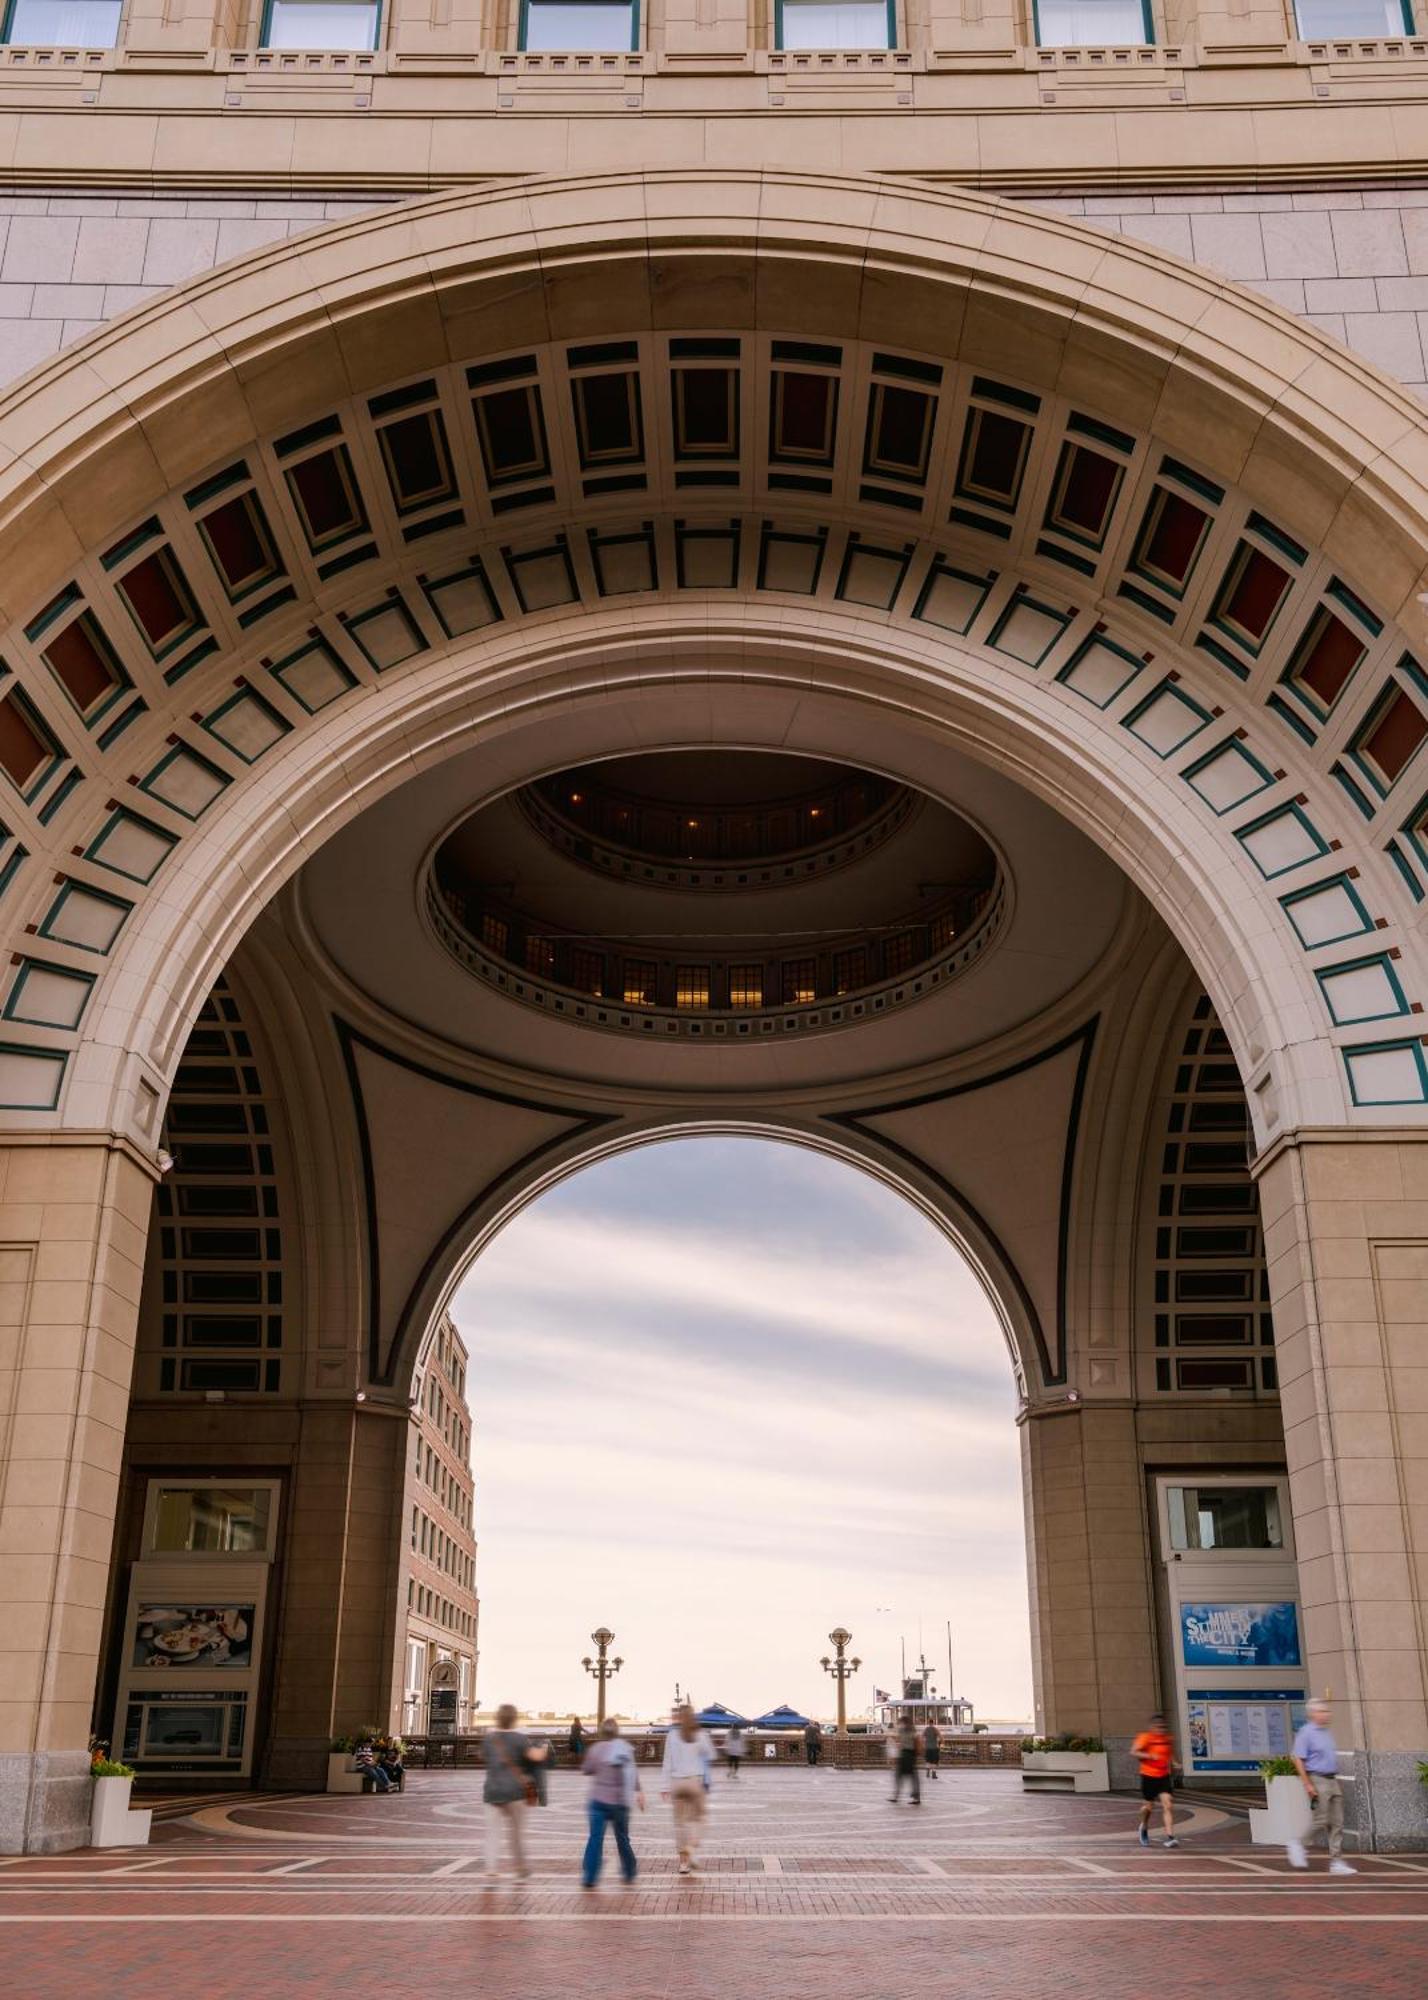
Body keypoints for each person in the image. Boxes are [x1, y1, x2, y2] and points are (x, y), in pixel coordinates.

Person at [1288, 1698, 1356, 1875]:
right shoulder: (1305, 1733)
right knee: (1321, 1819)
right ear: (1313, 1714)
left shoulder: (1326, 1732)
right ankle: (1298, 1843)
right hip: (1317, 1780)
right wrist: (1308, 1784)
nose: (1327, 1714)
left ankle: (1336, 1861)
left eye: (1327, 1711)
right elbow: (1298, 1759)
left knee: (1337, 1822)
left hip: (1332, 1780)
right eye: (1323, 1711)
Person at [482, 1703, 545, 1881]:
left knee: (492, 1832)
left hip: (492, 1791)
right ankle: (520, 1866)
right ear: (514, 1719)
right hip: (516, 1792)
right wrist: (545, 1749)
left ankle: (491, 1868)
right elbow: (535, 1756)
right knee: (516, 1833)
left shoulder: (489, 1739)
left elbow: (484, 1757)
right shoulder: (520, 1739)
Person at [581, 1717, 644, 1889]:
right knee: (622, 1838)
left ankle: (590, 1876)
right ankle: (629, 1871)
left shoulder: (595, 1749)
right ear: (617, 1732)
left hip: (598, 1800)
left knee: (595, 1838)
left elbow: (586, 1769)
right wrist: (639, 1792)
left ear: (601, 1731)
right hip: (620, 1802)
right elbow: (633, 1772)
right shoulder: (624, 1749)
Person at [661, 1703, 715, 1875]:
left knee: (680, 1824)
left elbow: (667, 1762)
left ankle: (683, 1864)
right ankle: (692, 1847)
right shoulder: (700, 1734)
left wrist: (664, 1786)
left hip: (677, 1783)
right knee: (700, 1818)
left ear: (679, 1717)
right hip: (694, 1782)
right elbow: (711, 1754)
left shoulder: (672, 1735)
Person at [1131, 1711, 1178, 1849]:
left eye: (1163, 1727)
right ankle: (1144, 1826)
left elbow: (1169, 1753)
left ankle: (1170, 1837)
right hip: (1148, 1776)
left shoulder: (1167, 1739)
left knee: (1168, 1805)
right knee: (1148, 1807)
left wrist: (1175, 1762)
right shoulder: (1145, 1738)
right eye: (1159, 1727)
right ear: (1152, 1727)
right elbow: (1134, 1752)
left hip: (1163, 1776)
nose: (1161, 1729)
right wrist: (1150, 1756)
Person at [889, 1716, 921, 1804]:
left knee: (911, 1777)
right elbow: (899, 1742)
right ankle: (897, 1796)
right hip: (904, 1754)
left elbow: (917, 1743)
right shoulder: (902, 1731)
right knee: (901, 1776)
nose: (900, 1724)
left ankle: (915, 1797)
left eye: (901, 1722)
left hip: (909, 1754)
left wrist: (917, 1754)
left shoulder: (913, 1732)